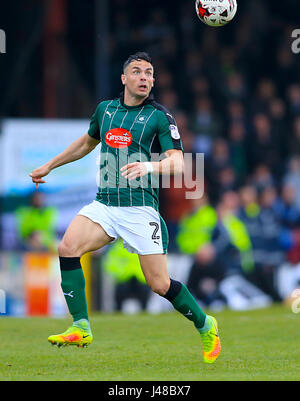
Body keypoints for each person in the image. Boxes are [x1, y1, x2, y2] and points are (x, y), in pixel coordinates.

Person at [29, 52, 221, 363]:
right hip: (105, 204)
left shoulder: (160, 116)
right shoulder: (105, 111)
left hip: (140, 209)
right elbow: (86, 142)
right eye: (137, 71)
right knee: (67, 247)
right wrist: (49, 165)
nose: (145, 77)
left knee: (159, 284)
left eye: (149, 73)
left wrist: (149, 165)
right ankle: (81, 326)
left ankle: (205, 324)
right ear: (124, 79)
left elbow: (177, 161)